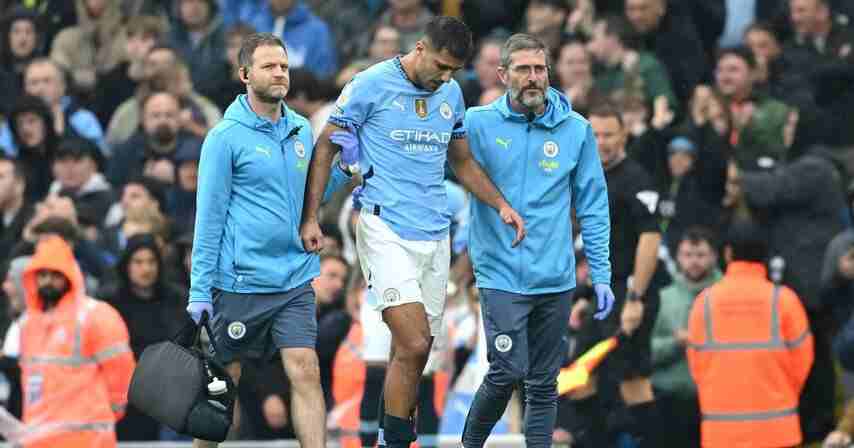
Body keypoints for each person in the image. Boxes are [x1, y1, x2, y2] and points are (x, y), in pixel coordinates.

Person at [300, 16, 525, 448]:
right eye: (440, 66)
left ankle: (393, 440)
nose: (445, 77)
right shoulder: (371, 84)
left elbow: (461, 161)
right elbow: (326, 145)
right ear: (420, 48)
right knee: (415, 341)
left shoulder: (451, 94)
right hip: (384, 227)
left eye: (454, 71)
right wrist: (312, 216)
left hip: (435, 234)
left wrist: (500, 205)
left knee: (410, 355)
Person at [187, 32, 356, 448]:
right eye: (269, 66)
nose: (280, 73)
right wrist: (199, 290)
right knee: (225, 383)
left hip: (294, 276)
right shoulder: (223, 138)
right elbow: (208, 219)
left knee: (305, 368)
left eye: (283, 66)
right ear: (245, 74)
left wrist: (344, 168)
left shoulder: (300, 128)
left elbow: (308, 199)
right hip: (241, 281)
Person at [457, 33, 613, 448]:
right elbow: (432, 161)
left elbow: (594, 206)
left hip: (555, 277)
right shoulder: (477, 123)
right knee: (507, 369)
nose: (533, 78)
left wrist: (601, 275)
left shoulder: (576, 130)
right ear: (503, 74)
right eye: (523, 70)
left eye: (539, 69)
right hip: (500, 273)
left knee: (544, 384)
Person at [570, 102, 665, 447]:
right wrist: (583, 297)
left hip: (629, 292)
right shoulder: (587, 175)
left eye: (609, 134)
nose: (602, 141)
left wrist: (637, 298)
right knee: (579, 378)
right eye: (595, 134)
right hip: (601, 294)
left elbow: (651, 239)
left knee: (633, 381)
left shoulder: (636, 178)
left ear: (623, 135)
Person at [686, 219, 813, 448]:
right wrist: (780, 392)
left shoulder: (704, 302)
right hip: (778, 431)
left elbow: (696, 363)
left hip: (720, 433)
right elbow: (803, 360)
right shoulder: (784, 300)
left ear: (727, 254)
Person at [17, 235, 135, 447]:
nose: (47, 281)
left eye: (55, 275)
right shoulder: (28, 324)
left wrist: (113, 410)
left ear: (69, 275)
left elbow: (121, 371)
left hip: (87, 439)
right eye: (42, 275)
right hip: (40, 440)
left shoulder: (95, 315)